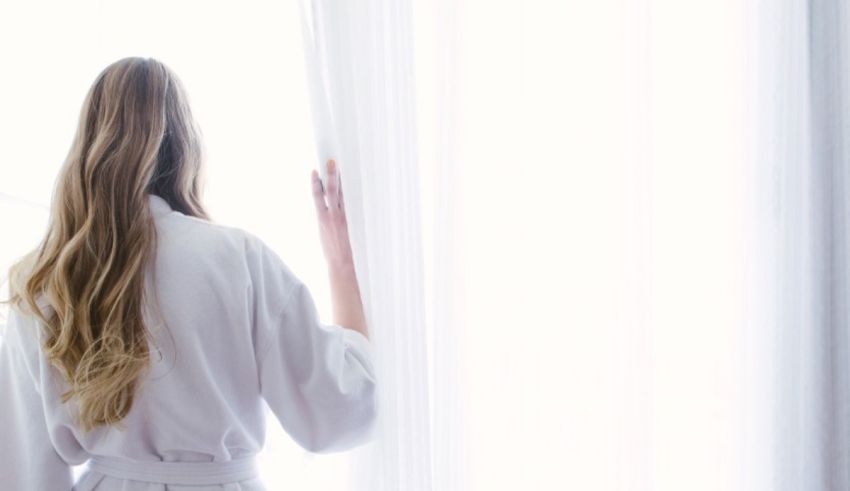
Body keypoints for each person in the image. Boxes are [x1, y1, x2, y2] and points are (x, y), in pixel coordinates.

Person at [0, 57, 376, 490]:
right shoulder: (238, 259)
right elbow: (337, 412)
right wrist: (343, 269)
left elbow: (24, 470)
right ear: (186, 147)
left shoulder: (43, 279)